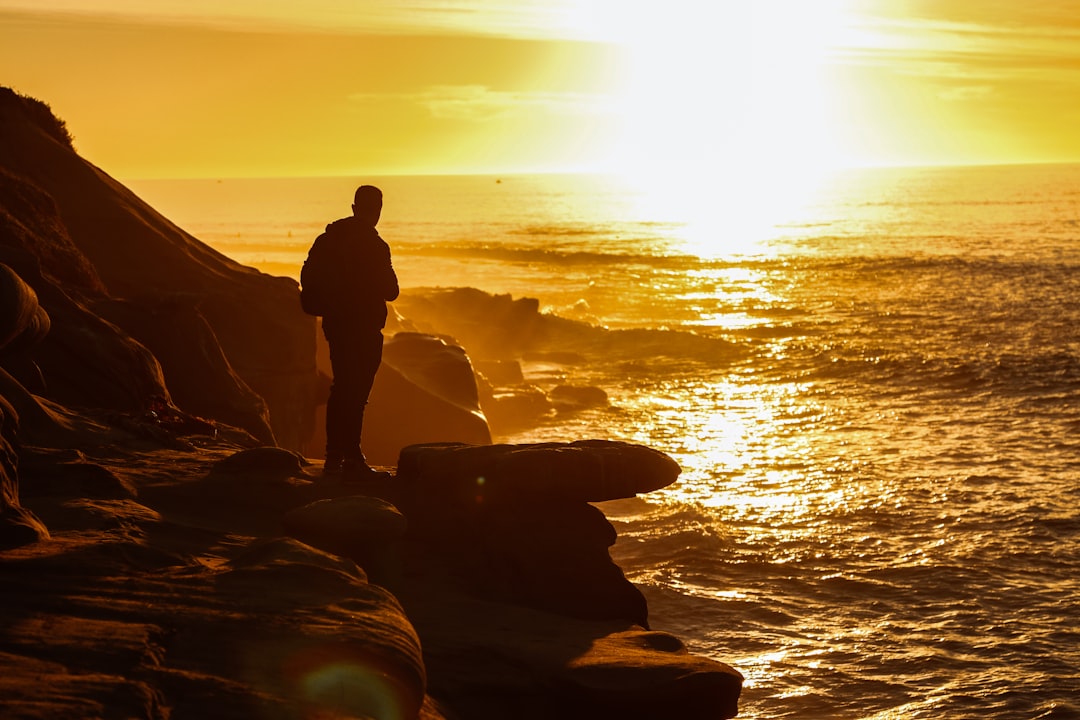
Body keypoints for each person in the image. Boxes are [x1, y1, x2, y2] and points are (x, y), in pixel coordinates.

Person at [301, 185, 399, 480]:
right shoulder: (375, 246)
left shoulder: (328, 240)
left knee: (341, 388)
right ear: (377, 211)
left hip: (336, 326)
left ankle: (335, 457)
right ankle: (352, 458)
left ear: (354, 207)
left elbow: (308, 277)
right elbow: (391, 291)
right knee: (355, 394)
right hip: (365, 328)